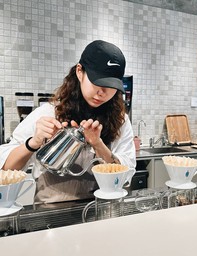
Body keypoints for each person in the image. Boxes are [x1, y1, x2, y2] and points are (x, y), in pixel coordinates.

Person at [0, 40, 136, 204]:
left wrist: (98, 144)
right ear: (80, 72)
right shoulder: (49, 113)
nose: (103, 92)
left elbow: (124, 175)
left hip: (101, 208)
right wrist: (34, 142)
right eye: (97, 82)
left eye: (111, 85)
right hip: (50, 212)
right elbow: (6, 170)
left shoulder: (119, 120)